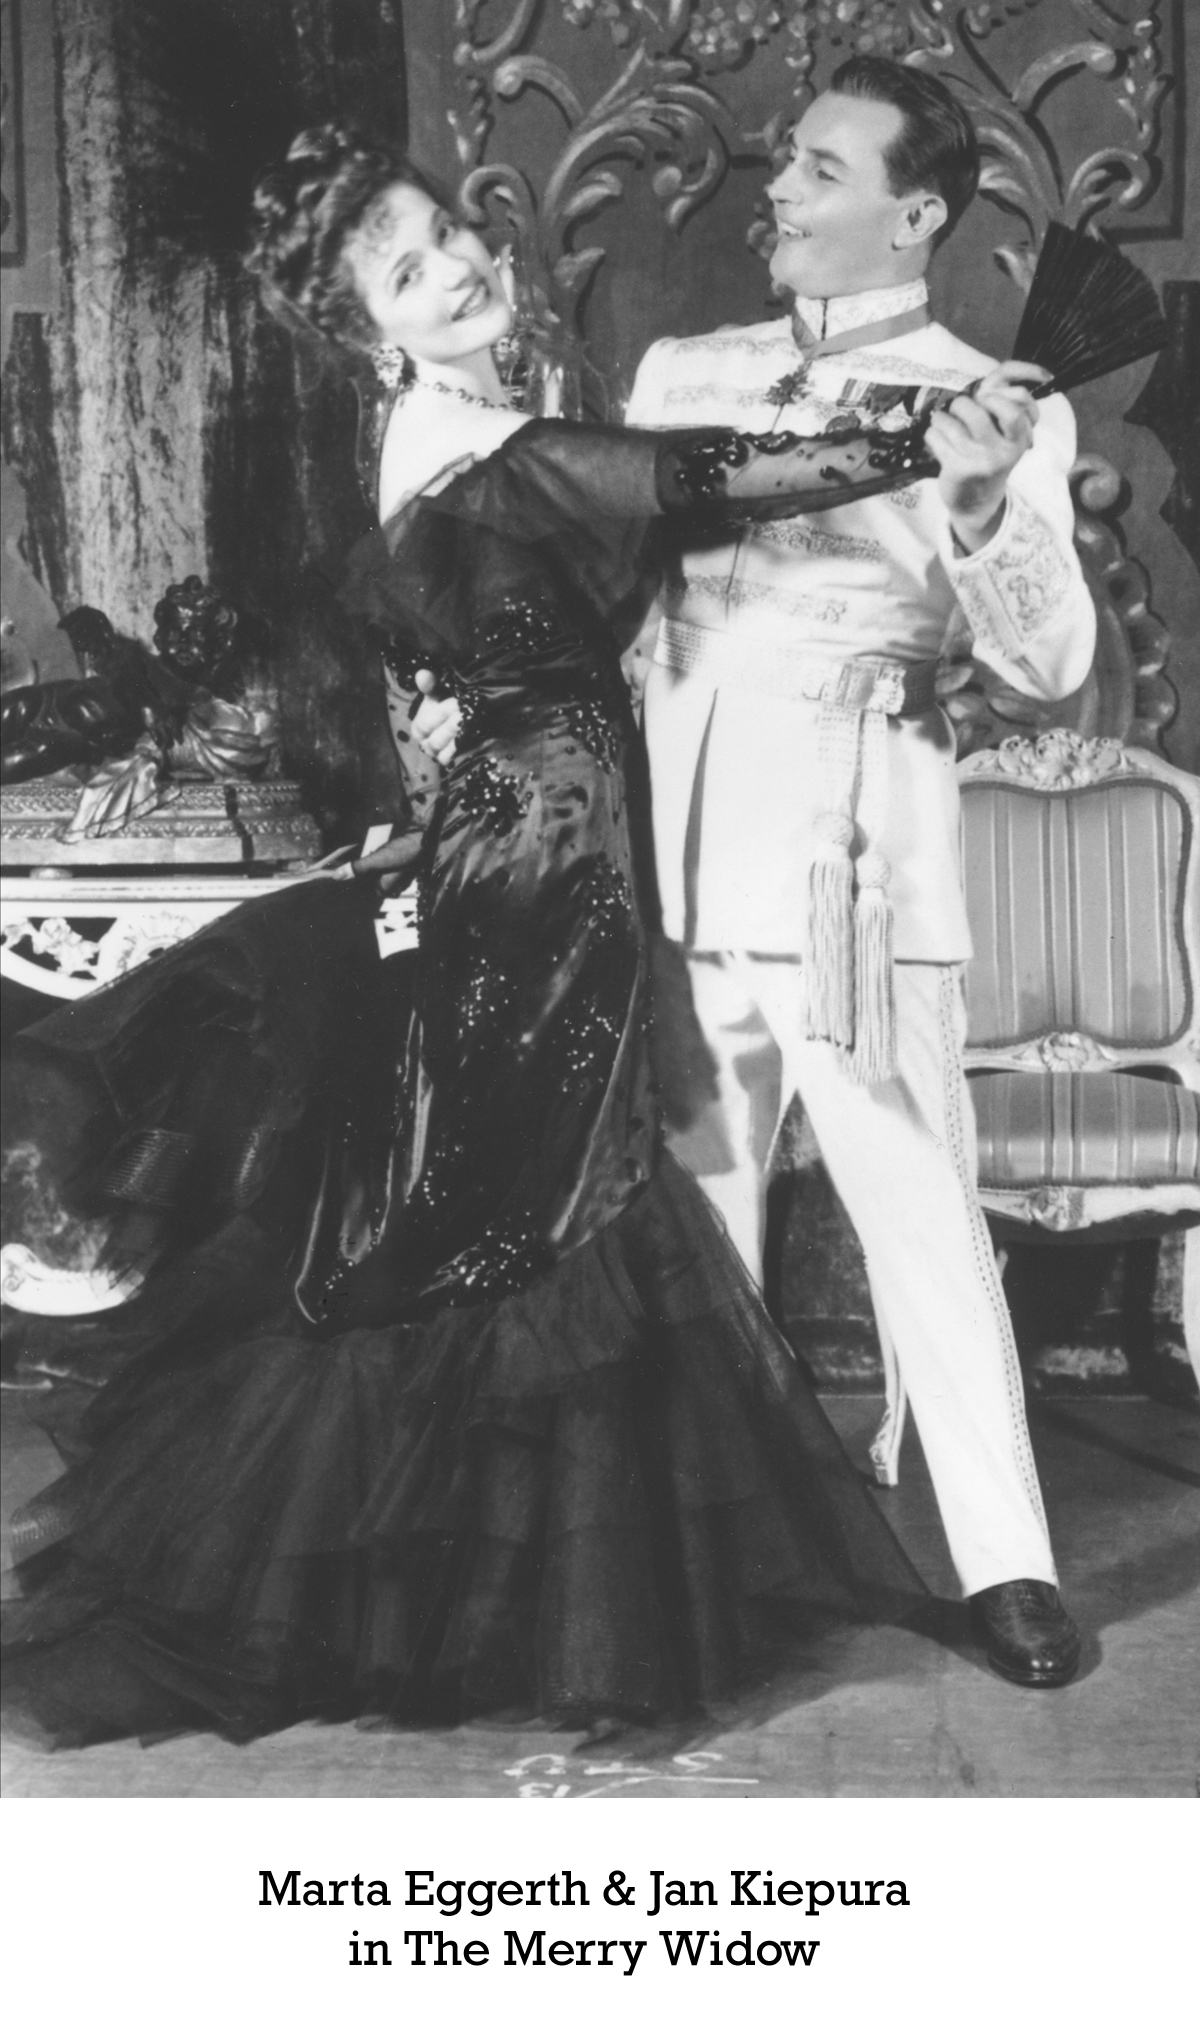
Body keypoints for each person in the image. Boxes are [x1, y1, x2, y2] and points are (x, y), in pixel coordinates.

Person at [1, 128, 928, 1747]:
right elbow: (705, 479)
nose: (457, 270)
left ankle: (506, 1611)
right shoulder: (479, 442)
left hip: (537, 833)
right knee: (542, 1203)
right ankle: (503, 1618)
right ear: (370, 327)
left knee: (516, 1198)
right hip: (543, 857)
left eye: (448, 235)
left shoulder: (448, 432)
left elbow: (500, 645)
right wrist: (914, 438)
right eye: (408, 270)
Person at [419, 59, 1091, 1689]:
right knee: (689, 1233)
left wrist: (982, 504)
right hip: (668, 854)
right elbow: (607, 589)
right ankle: (693, 1560)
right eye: (788, 160)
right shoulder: (685, 370)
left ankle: (1008, 1565)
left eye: (818, 171)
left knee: (919, 1217)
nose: (775, 191)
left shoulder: (994, 400)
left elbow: (1054, 670)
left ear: (914, 216)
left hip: (854, 867)